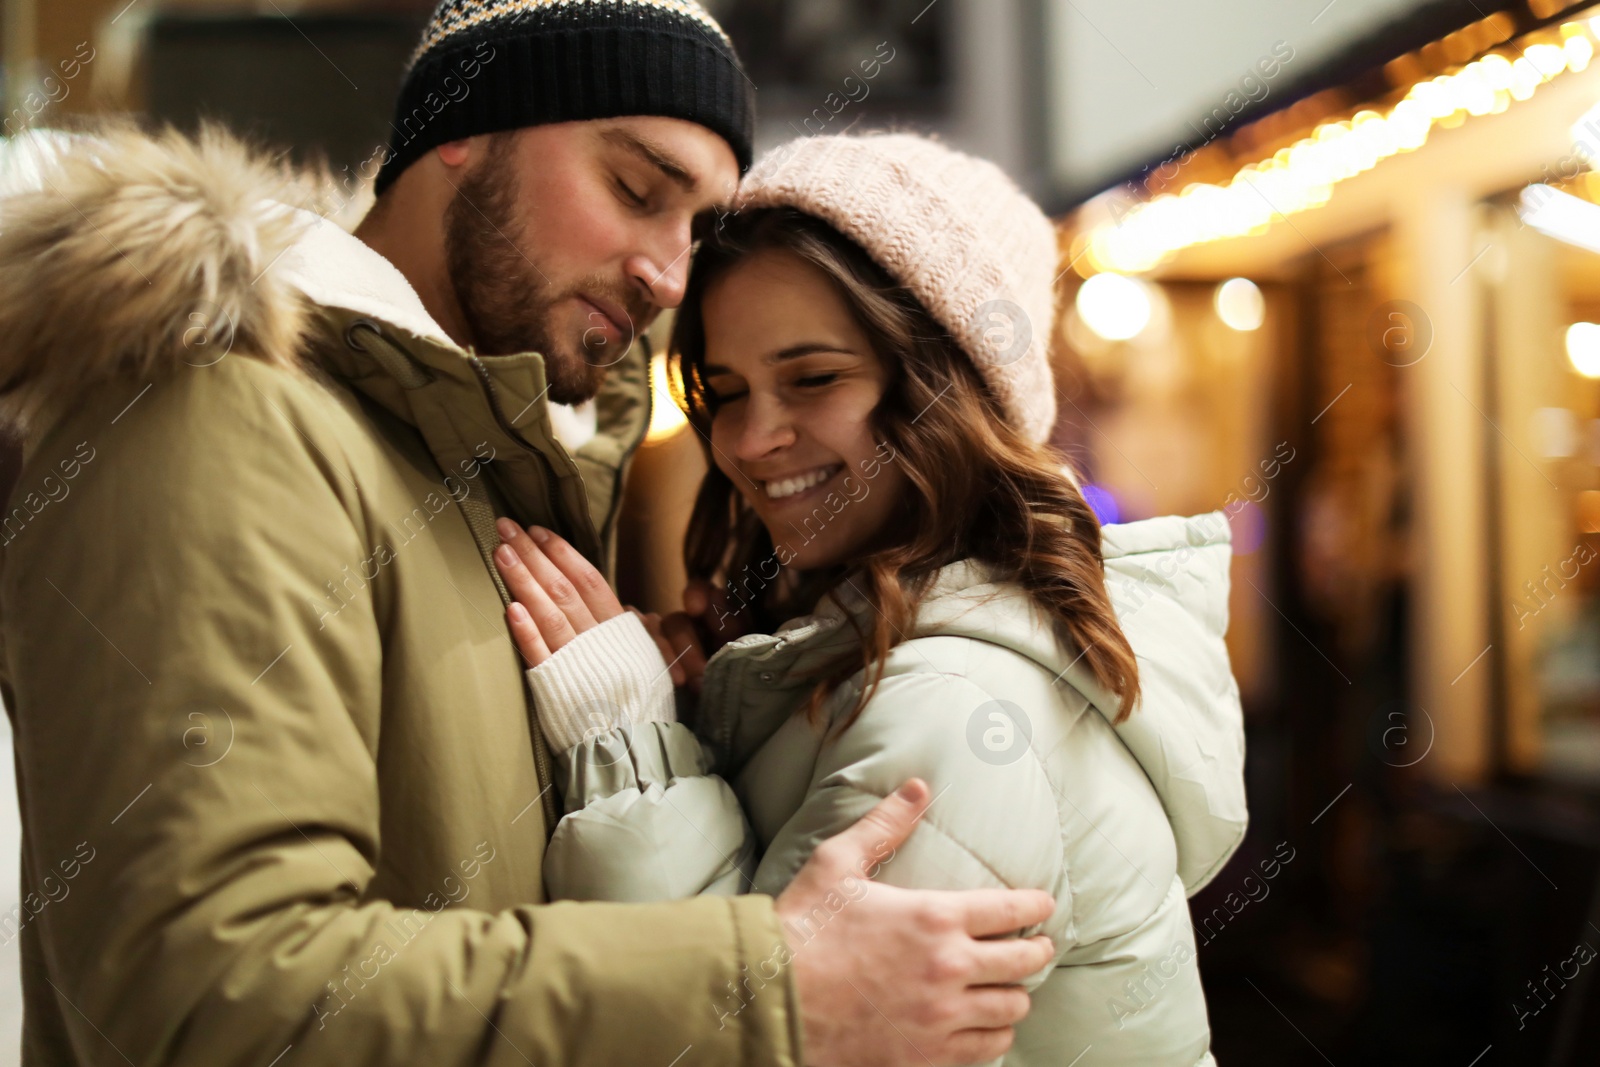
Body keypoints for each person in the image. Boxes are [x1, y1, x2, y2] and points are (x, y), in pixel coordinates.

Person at [0, 4, 1059, 1064]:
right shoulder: (216, 415)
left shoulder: (469, 449)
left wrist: (666, 719)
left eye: (695, 230)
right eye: (637, 190)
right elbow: (203, 999)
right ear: (461, 126)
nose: (667, 276)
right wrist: (765, 984)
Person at [490, 133, 1250, 1065]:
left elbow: (769, 1044)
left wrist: (637, 758)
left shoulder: (955, 709)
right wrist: (712, 723)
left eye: (814, 379)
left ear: (949, 387)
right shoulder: (900, 652)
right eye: (725, 391)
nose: (752, 438)